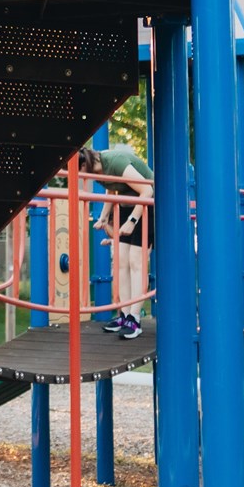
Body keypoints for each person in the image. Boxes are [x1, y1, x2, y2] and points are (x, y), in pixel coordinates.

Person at [79, 145, 154, 340]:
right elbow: (113, 190)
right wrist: (104, 217)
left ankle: (135, 319)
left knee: (136, 261)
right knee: (120, 261)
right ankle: (125, 314)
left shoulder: (116, 161)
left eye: (78, 172)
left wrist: (131, 221)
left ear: (84, 165)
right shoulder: (97, 170)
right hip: (128, 207)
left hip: (147, 206)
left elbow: (147, 190)